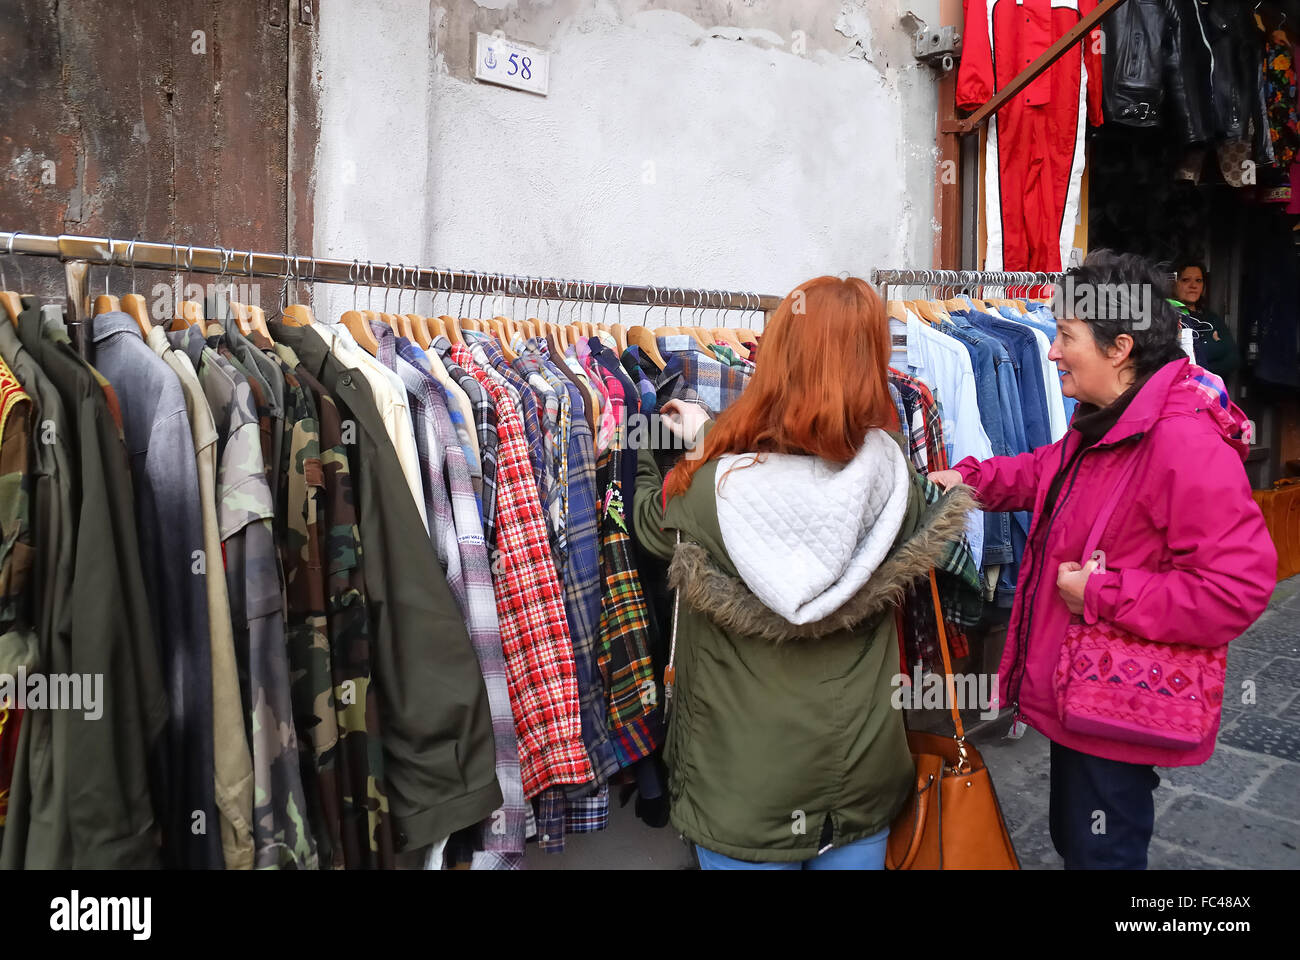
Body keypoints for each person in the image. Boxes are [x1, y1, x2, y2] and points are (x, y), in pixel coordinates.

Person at [931, 249, 1276, 870]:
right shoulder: (1110, 419)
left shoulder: (1182, 441)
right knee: (1080, 839)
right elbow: (1049, 473)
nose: (1053, 351)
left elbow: (1237, 588)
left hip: (1117, 700)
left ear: (1119, 348)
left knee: (1102, 853)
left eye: (1065, 337)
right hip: (1084, 694)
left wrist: (1102, 594)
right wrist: (969, 478)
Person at [632, 275, 976, 870]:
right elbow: (831, 472)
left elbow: (650, 522)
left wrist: (658, 445)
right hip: (860, 778)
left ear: (776, 355)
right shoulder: (895, 478)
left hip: (745, 788)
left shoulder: (714, 488)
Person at [1172, 259, 1240, 380]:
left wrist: (1201, 373)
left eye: (1198, 280)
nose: (1193, 286)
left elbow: (1233, 359)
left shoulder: (1211, 318)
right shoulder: (1167, 317)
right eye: (1185, 280)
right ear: (1173, 283)